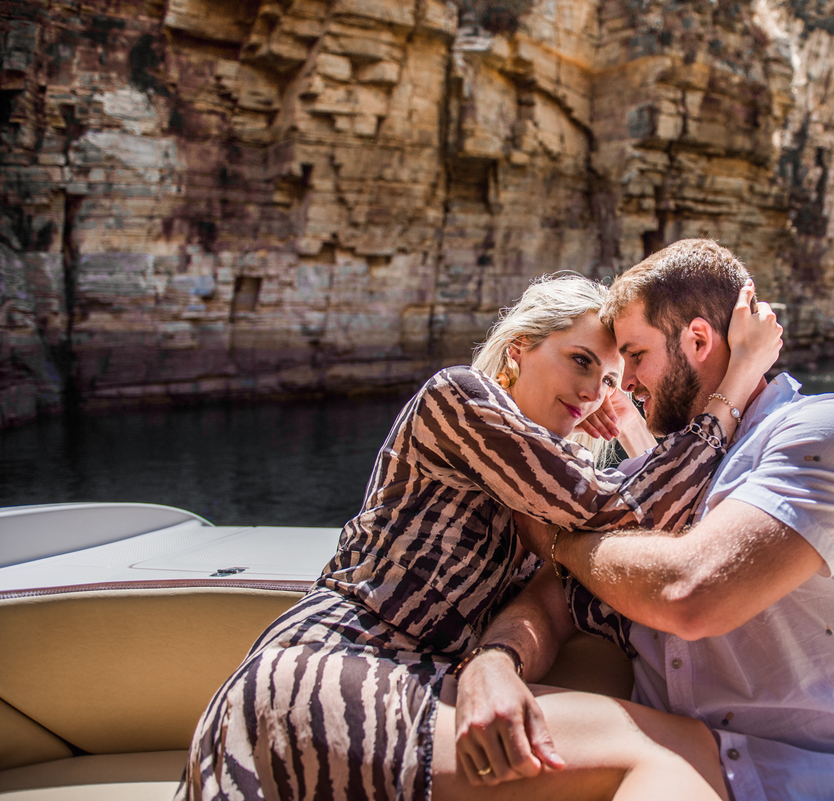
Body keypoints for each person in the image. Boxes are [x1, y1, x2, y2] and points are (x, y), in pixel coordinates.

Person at [175, 273, 783, 801]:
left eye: (609, 379)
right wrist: (737, 383)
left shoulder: (553, 481)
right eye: (580, 361)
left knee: (677, 749)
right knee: (668, 751)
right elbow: (619, 511)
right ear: (520, 349)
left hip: (419, 676)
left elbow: (651, 528)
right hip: (334, 659)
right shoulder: (459, 399)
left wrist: (627, 424)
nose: (593, 390)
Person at [455, 240, 834, 801]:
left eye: (635, 356)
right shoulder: (659, 480)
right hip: (695, 771)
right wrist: (494, 662)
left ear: (697, 340)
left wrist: (562, 542)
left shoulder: (824, 431)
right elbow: (549, 601)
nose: (626, 385)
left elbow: (694, 592)